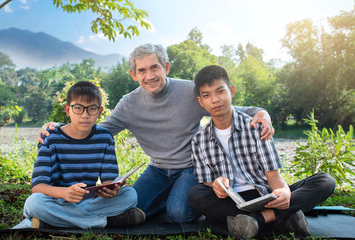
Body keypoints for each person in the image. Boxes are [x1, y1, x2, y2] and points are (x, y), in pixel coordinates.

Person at [38, 43, 275, 224]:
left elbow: (236, 109)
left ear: (166, 68)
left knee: (179, 214)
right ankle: (164, 198)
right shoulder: (128, 104)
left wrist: (263, 113)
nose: (149, 75)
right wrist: (57, 127)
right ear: (134, 75)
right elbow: (98, 128)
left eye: (155, 67)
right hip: (156, 169)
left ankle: (175, 201)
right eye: (142, 70)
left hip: (190, 168)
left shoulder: (189, 91)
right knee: (127, 208)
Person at [188, 65, 336, 238]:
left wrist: (283, 193)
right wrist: (216, 184)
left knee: (325, 181)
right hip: (233, 202)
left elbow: (274, 177)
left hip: (265, 195)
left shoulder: (257, 127)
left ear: (232, 91)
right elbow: (207, 182)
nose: (215, 100)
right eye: (207, 95)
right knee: (195, 194)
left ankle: (258, 220)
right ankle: (284, 219)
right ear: (201, 101)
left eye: (220, 91)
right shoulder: (199, 140)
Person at [24, 81, 145, 229]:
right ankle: (103, 222)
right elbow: (37, 186)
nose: (85, 115)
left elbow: (108, 181)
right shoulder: (50, 138)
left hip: (90, 200)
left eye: (91, 109)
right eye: (78, 108)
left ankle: (55, 220)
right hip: (58, 200)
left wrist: (112, 189)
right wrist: (64, 193)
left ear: (99, 112)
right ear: (68, 110)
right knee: (34, 203)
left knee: (130, 195)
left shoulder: (104, 137)